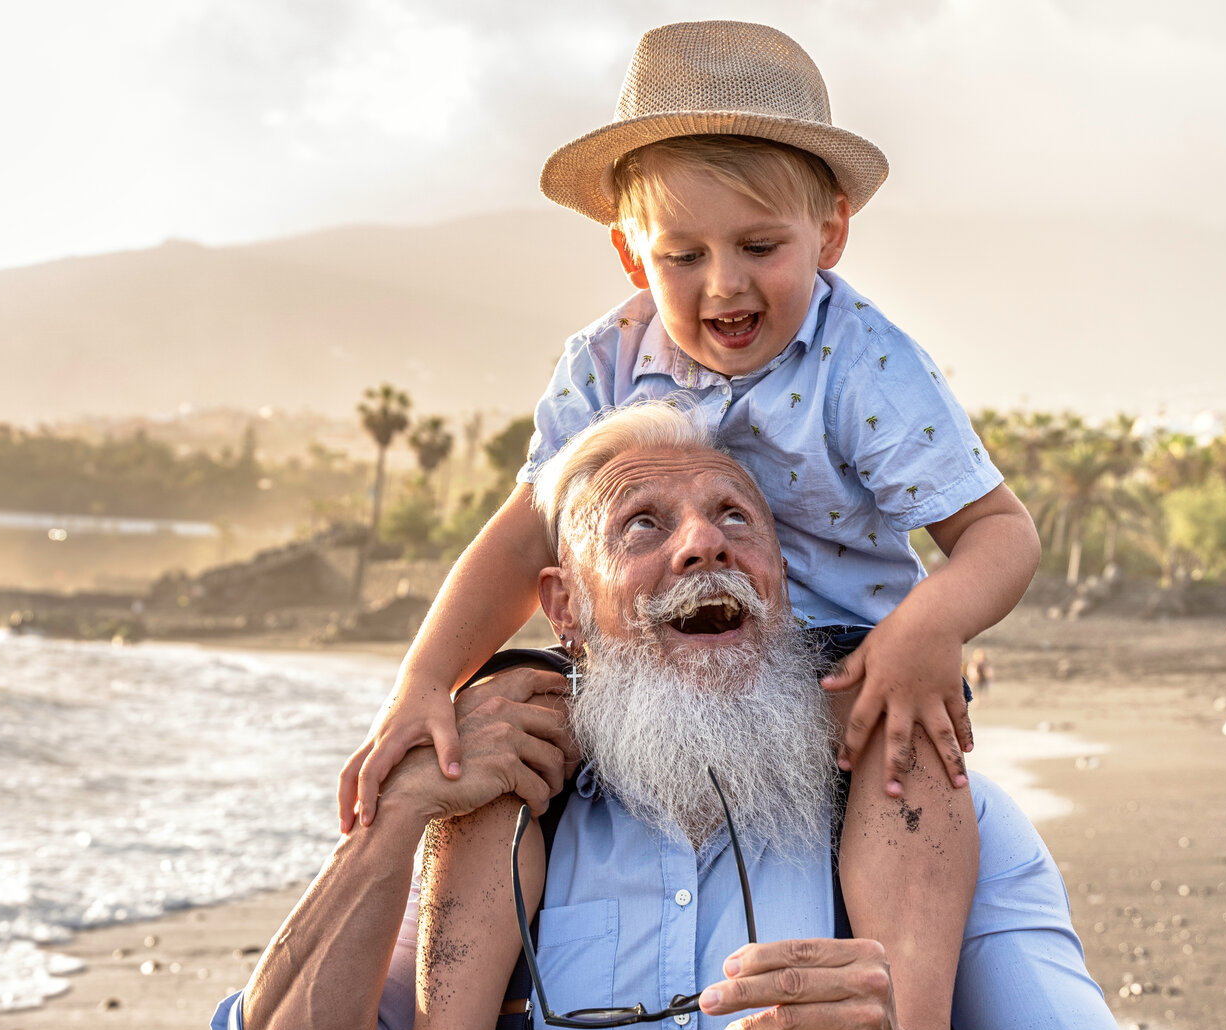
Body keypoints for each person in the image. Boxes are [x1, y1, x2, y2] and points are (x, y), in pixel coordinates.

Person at [214, 413, 1140, 1030]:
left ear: (779, 582)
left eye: (736, 518)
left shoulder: (933, 807)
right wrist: (395, 818)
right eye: (642, 525)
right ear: (566, 610)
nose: (704, 546)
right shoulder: (504, 823)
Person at [338, 11, 1038, 887]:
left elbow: (1003, 534)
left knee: (907, 749)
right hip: (658, 647)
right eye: (682, 255)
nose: (725, 283)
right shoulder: (606, 361)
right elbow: (526, 538)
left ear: (829, 233)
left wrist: (924, 630)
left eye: (759, 245)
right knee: (502, 732)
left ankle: (909, 1008)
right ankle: (464, 1018)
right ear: (632, 257)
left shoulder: (864, 363)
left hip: (844, 652)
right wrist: (425, 683)